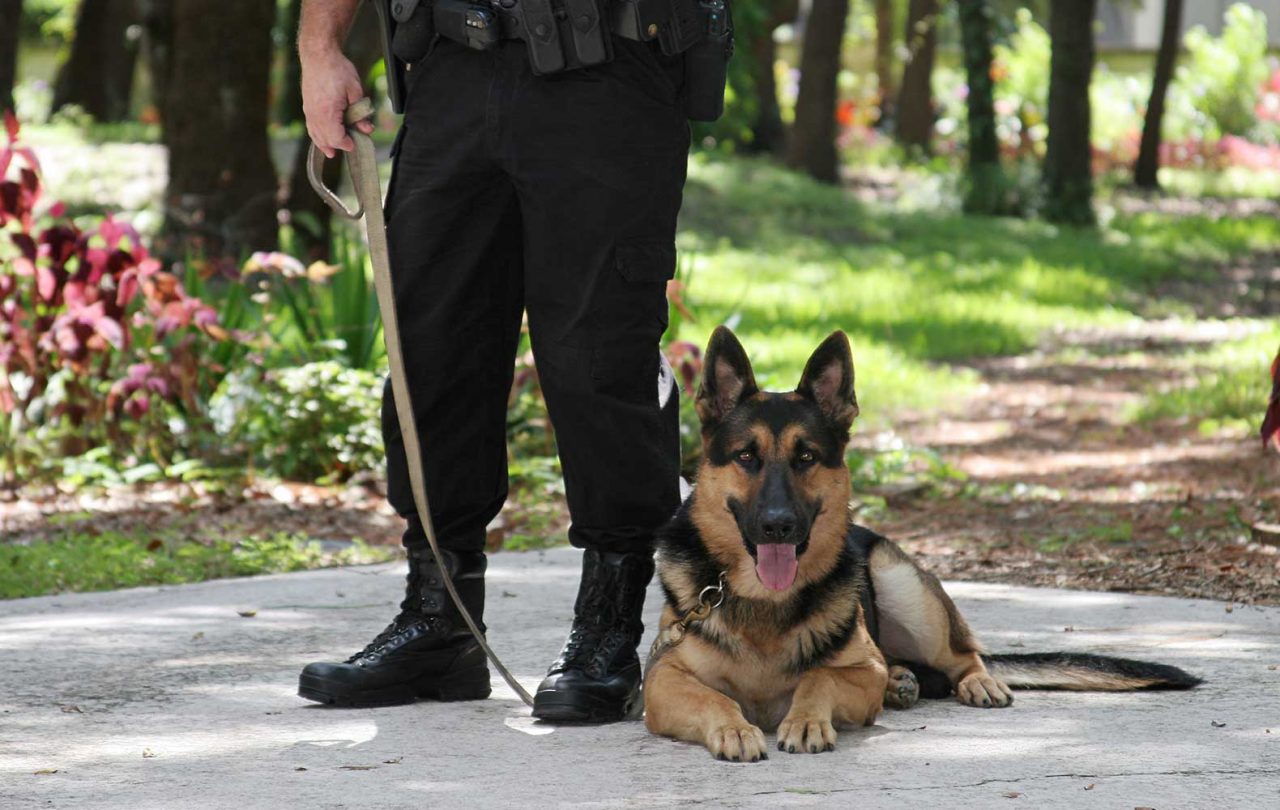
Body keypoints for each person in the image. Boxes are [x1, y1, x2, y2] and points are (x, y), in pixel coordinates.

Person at [294, 0, 693, 722]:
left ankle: (607, 632)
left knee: (599, 352)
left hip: (608, 64)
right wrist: (320, 48)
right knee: (430, 345)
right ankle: (439, 626)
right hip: (453, 65)